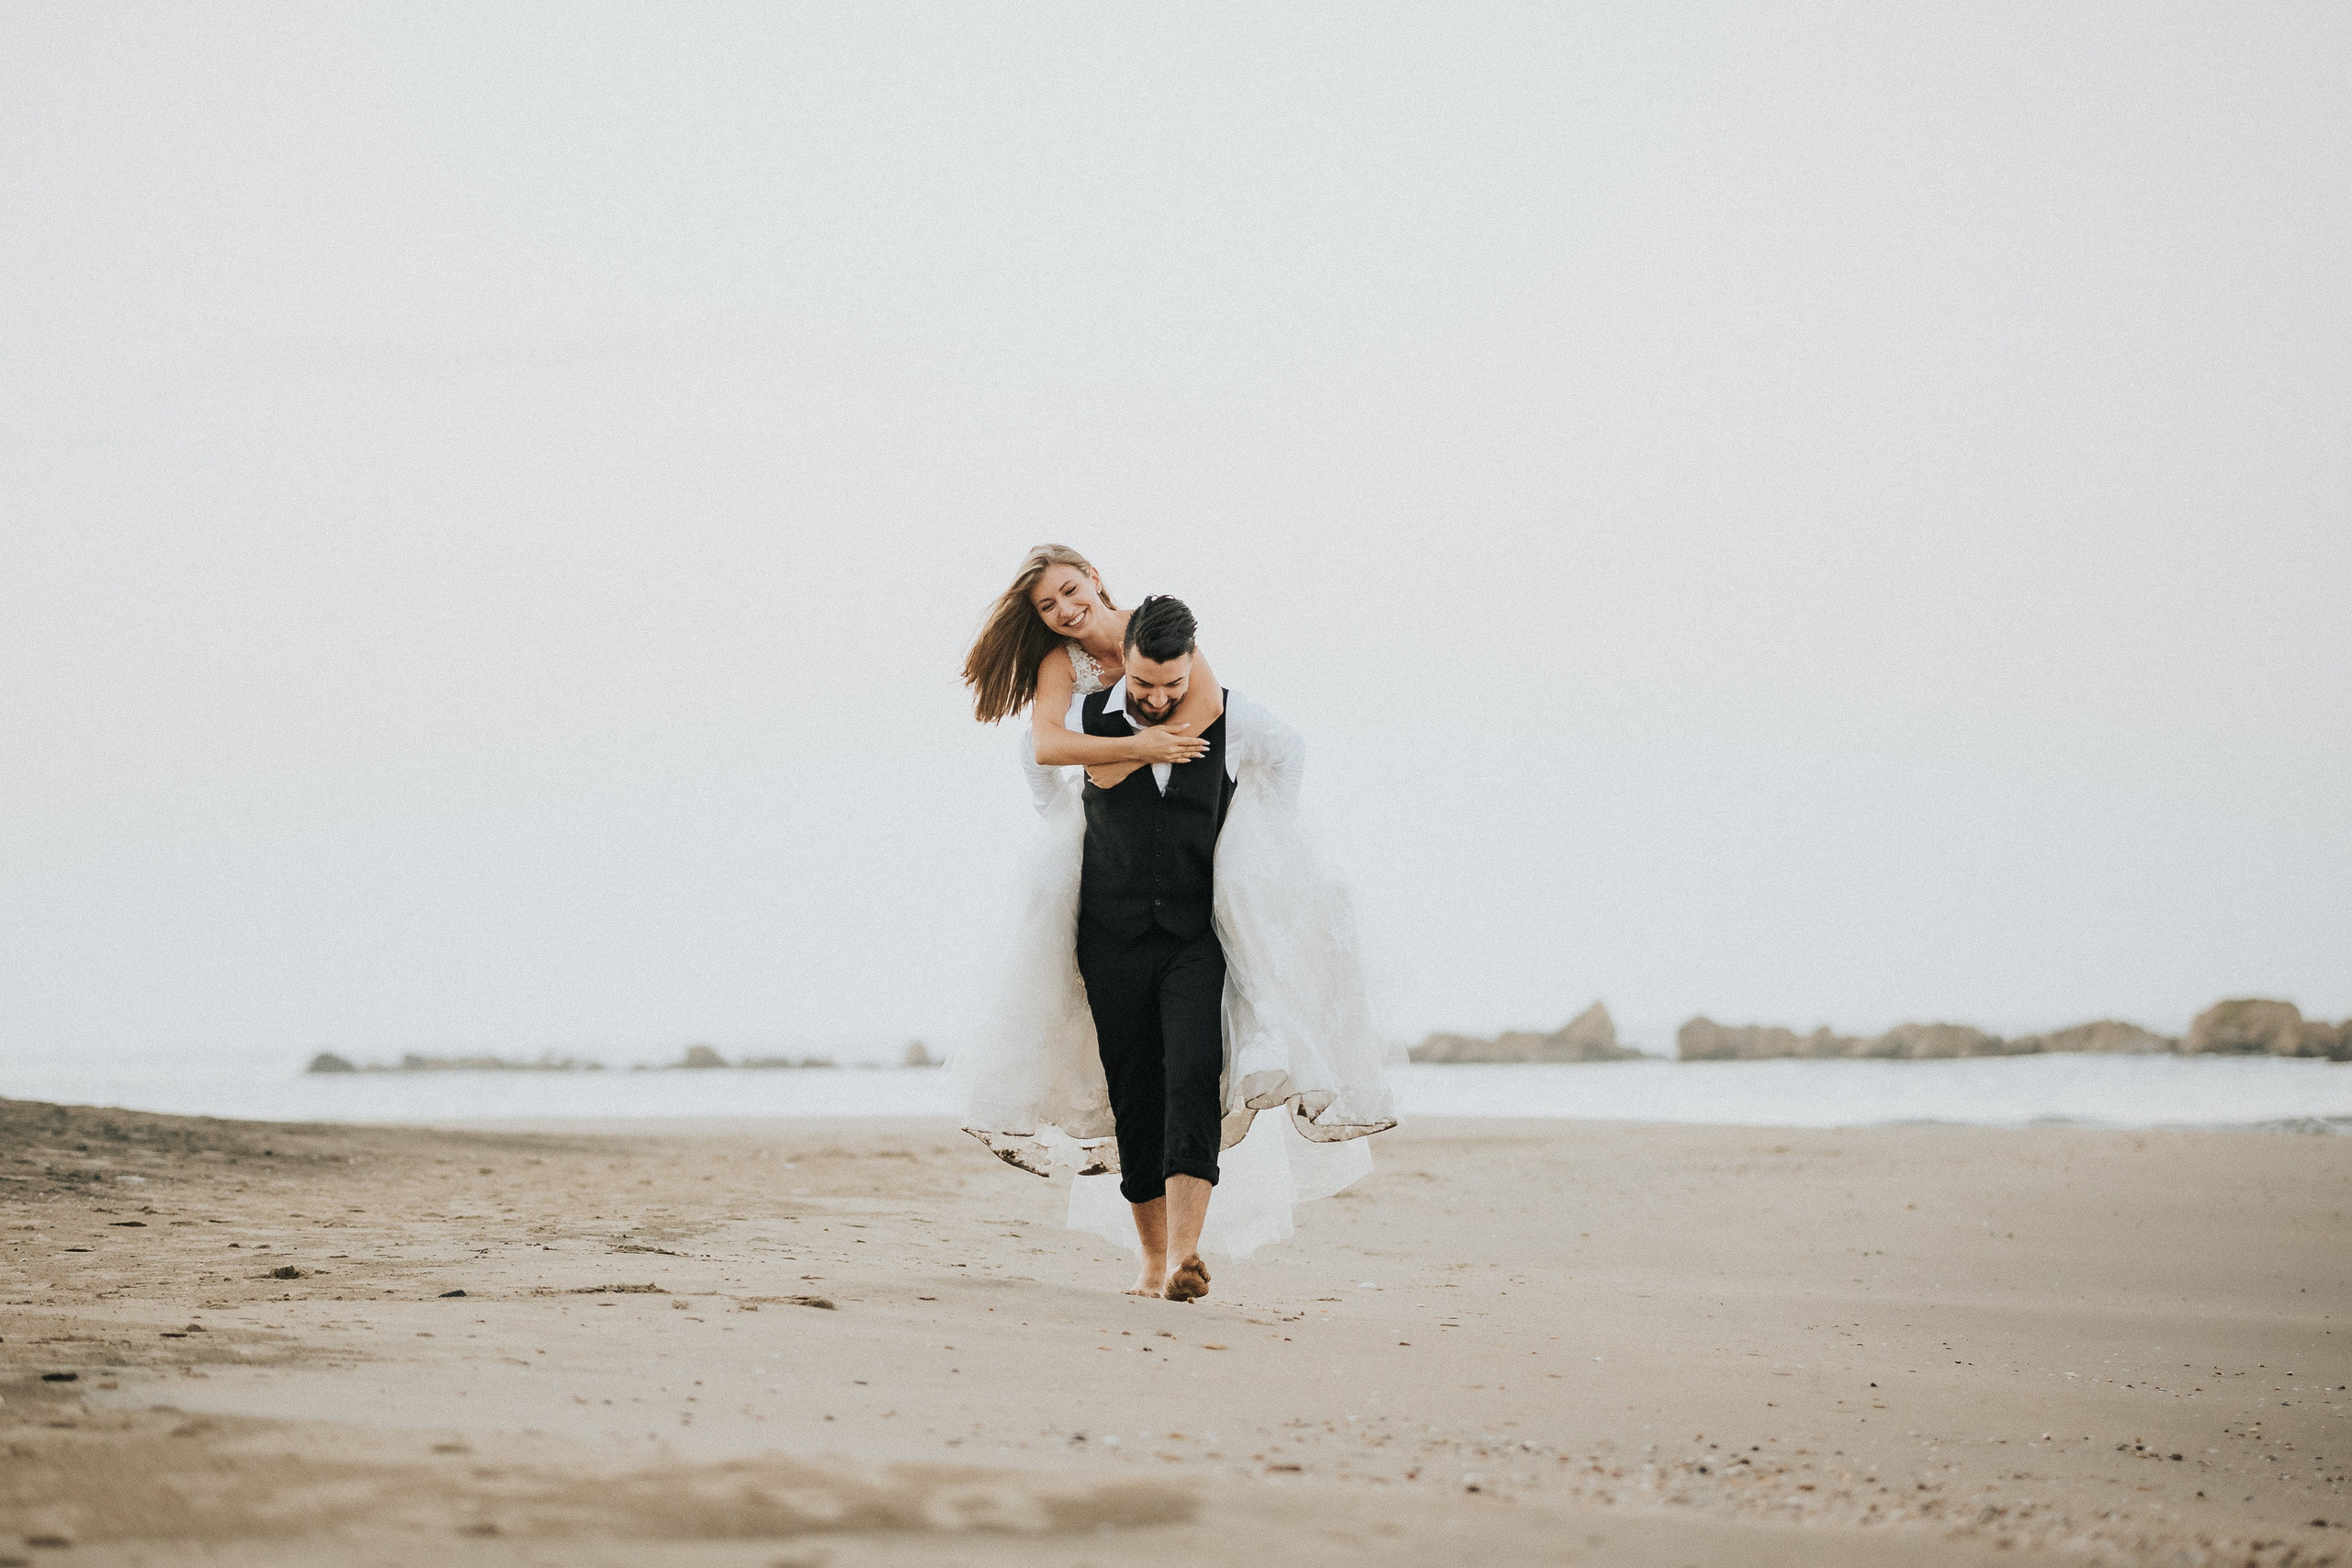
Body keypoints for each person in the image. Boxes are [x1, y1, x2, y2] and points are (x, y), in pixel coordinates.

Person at [956, 547, 1396, 1299]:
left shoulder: (1219, 701)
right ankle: (1152, 1260)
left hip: (1194, 934)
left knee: (1193, 1072)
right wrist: (1072, 821)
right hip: (1110, 930)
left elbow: (1288, 750)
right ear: (1122, 668)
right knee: (1134, 1092)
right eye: (1145, 685)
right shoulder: (1083, 700)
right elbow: (1041, 760)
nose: (1159, 698)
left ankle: (1189, 1255)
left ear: (1095, 577)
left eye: (1171, 685)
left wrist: (1257, 842)